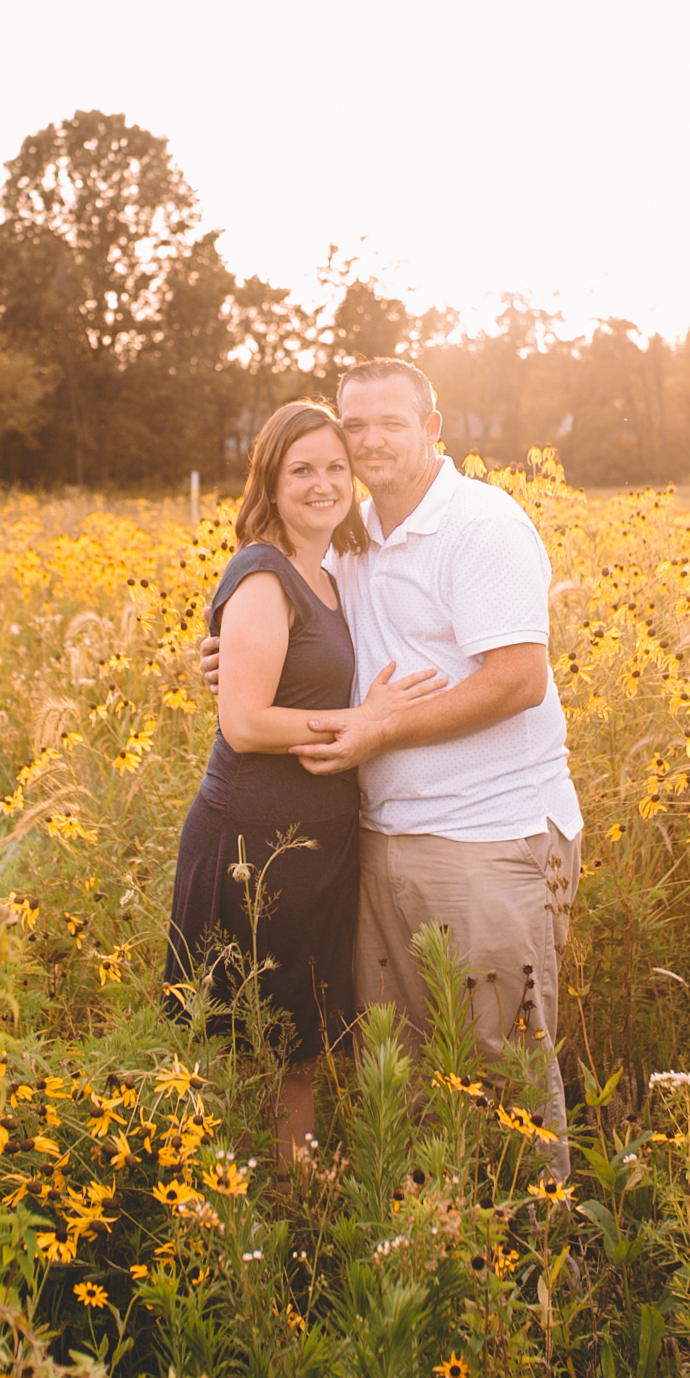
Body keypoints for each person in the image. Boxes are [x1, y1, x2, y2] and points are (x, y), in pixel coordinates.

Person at [206, 359, 583, 1173]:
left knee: (502, 1062)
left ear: (433, 429)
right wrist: (229, 655)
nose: (368, 440)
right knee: (401, 1070)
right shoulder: (348, 537)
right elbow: (291, 636)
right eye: (355, 426)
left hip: (485, 836)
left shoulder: (481, 524)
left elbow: (518, 678)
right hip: (377, 839)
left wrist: (381, 732)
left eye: (391, 423)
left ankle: (536, 1270)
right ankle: (433, 1242)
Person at [165, 399, 442, 1167]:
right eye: (301, 470)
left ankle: (295, 1205)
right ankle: (231, 1207)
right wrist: (366, 721)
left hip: (316, 841)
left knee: (301, 1046)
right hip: (257, 840)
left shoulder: (326, 573)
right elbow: (245, 724)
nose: (322, 484)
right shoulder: (262, 569)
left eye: (334, 468)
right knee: (250, 1045)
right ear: (270, 481)